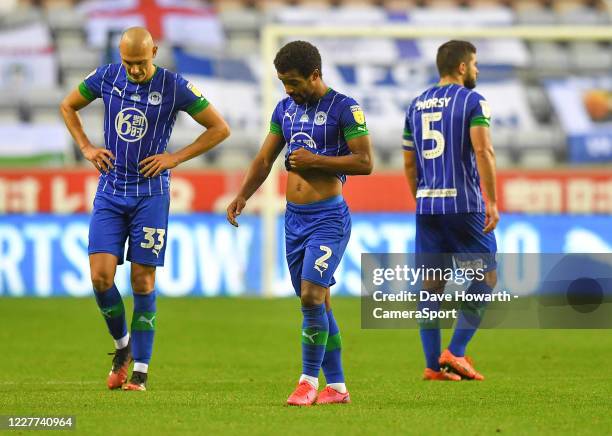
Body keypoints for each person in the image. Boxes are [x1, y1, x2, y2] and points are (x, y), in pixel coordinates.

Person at [59, 27, 230, 391]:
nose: (134, 70)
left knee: (142, 280)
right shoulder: (107, 76)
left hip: (151, 195)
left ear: (154, 50)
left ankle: (141, 369)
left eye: (141, 62)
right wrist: (87, 147)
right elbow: (68, 105)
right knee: (100, 278)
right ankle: (122, 347)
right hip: (110, 190)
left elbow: (219, 128)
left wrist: (175, 158)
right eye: (128, 63)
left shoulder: (174, 86)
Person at [226, 41, 373, 405]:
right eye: (282, 83)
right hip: (294, 220)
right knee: (318, 301)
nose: (288, 89)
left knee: (310, 294)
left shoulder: (345, 108)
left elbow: (365, 162)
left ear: (315, 75)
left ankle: (307, 381)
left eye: (293, 82)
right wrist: (244, 194)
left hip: (328, 219)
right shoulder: (284, 109)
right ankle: (337, 387)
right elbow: (264, 159)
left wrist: (316, 160)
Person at [402, 40, 499, 381]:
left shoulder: (416, 104)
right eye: (474, 64)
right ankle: (455, 352)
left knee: (431, 285)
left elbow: (409, 162)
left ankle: (432, 366)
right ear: (461, 67)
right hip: (464, 204)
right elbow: (483, 150)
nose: (476, 70)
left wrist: (422, 198)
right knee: (486, 276)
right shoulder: (474, 101)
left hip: (427, 205)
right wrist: (492, 201)